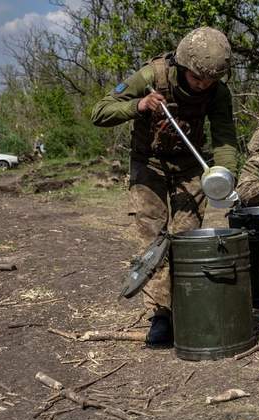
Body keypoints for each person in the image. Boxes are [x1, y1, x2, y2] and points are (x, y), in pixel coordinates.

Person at [90, 27, 238, 347]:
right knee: (152, 240)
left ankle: (187, 305)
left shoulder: (217, 92)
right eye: (197, 78)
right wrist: (139, 105)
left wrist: (225, 174)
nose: (203, 85)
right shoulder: (151, 76)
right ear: (183, 65)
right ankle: (160, 315)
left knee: (187, 239)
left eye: (210, 80)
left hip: (189, 168)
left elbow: (225, 137)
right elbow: (100, 113)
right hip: (149, 166)